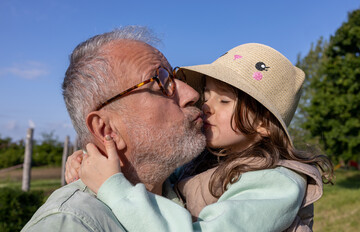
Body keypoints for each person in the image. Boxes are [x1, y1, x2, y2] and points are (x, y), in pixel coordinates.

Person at [70, 43, 333, 231]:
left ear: (264, 123)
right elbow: (164, 185)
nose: (205, 105)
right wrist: (95, 159)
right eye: (206, 96)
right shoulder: (203, 162)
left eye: (224, 100)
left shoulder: (276, 183)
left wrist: (113, 189)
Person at [21, 26, 206, 231]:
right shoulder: (70, 223)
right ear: (106, 130)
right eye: (162, 81)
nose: (192, 94)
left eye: (176, 78)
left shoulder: (191, 185)